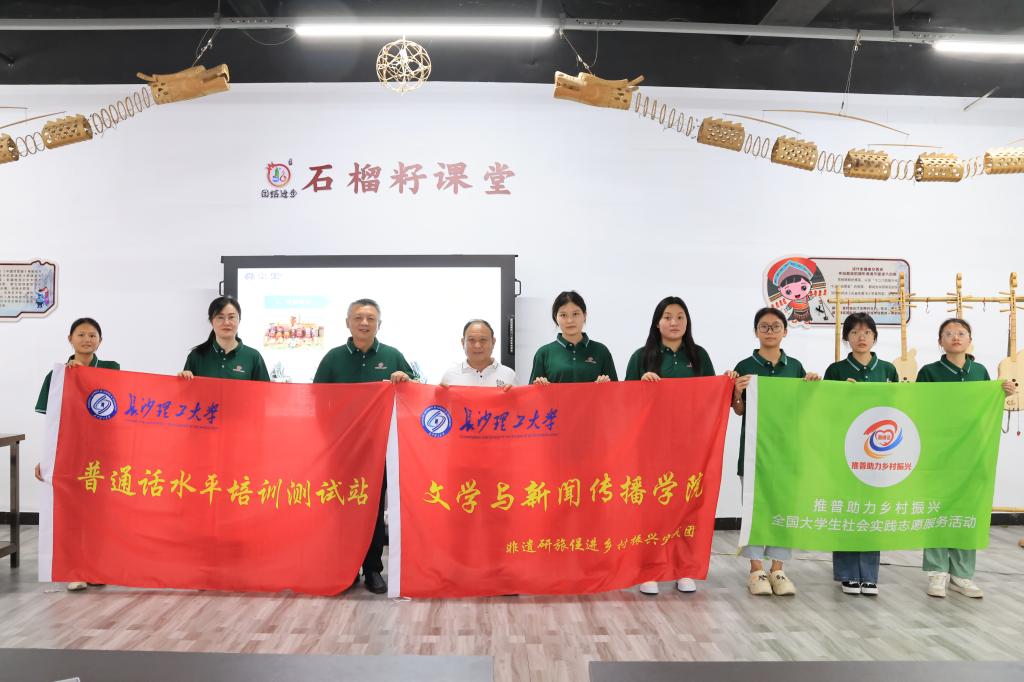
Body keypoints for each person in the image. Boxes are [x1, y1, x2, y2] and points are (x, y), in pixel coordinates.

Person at [313, 298, 416, 595]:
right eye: (358, 317)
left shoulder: (392, 355)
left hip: (379, 448)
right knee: (342, 510)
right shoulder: (333, 358)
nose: (364, 323)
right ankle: (345, 569)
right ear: (347, 322)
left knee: (373, 509)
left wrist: (406, 378)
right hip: (342, 449)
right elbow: (317, 400)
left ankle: (372, 569)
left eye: (370, 318)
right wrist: (332, 436)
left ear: (379, 324)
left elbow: (415, 390)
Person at [917, 318, 1015, 599]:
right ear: (940, 341)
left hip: (972, 450)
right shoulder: (929, 372)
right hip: (938, 450)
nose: (955, 337)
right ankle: (937, 572)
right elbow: (918, 406)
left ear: (970, 340)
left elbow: (986, 406)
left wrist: (1003, 392)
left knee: (967, 510)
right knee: (937, 508)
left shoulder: (980, 371)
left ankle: (962, 574)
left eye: (961, 333)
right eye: (948, 333)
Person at [624, 296, 716, 595]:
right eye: (667, 317)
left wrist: (728, 382)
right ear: (657, 322)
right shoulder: (642, 356)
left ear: (687, 322)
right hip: (651, 445)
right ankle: (649, 569)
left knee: (686, 506)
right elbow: (623, 401)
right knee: (651, 507)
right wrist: (641, 385)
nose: (674, 322)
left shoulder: (699, 356)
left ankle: (683, 568)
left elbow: (711, 396)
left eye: (680, 317)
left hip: (689, 445)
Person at [731, 307, 820, 596]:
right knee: (754, 509)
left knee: (784, 507)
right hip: (753, 451)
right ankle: (756, 569)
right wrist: (737, 392)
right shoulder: (745, 365)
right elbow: (739, 410)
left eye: (775, 326)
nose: (770, 332)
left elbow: (803, 409)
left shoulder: (795, 367)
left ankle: (778, 568)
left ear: (785, 331)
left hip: (786, 451)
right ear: (756, 331)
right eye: (764, 327)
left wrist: (812, 386)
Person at [33, 317, 120, 592]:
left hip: (103, 453)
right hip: (70, 454)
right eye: (81, 334)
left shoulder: (111, 369)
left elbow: (120, 410)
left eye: (92, 335)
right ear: (70, 339)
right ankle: (75, 570)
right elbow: (52, 423)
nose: (87, 339)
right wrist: (46, 458)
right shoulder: (57, 376)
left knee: (99, 514)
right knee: (71, 513)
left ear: (100, 341)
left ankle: (96, 568)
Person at [823, 312, 898, 596]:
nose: (861, 337)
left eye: (866, 332)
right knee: (846, 507)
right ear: (846, 338)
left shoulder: (887, 370)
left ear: (875, 337)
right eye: (854, 332)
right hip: (845, 448)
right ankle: (847, 573)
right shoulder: (836, 370)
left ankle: (869, 574)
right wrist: (843, 395)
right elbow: (826, 408)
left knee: (872, 510)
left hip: (879, 452)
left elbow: (898, 408)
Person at [530, 291, 617, 384]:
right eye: (563, 315)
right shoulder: (543, 354)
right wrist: (539, 385)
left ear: (584, 315)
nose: (570, 320)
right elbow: (532, 392)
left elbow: (616, 390)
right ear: (555, 318)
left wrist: (607, 385)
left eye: (575, 314)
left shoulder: (601, 351)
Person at [178, 296, 270, 381]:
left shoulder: (253, 356)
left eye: (231, 317)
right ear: (211, 321)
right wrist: (183, 379)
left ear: (239, 320)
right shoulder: (196, 355)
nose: (226, 322)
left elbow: (264, 391)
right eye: (220, 317)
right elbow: (187, 392)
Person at [440, 319, 516, 389]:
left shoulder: (509, 375)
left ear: (493, 342)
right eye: (471, 340)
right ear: (463, 343)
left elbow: (518, 399)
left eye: (483, 339)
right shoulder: (450, 377)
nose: (477, 346)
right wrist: (439, 393)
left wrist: (513, 394)